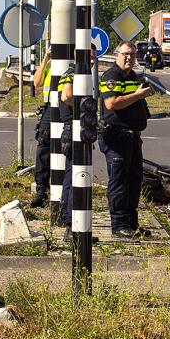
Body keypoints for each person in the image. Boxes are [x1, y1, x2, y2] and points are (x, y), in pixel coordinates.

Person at [98, 41, 153, 239]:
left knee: (134, 181)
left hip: (132, 137)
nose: (128, 58)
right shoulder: (112, 75)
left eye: (132, 54)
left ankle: (131, 223)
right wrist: (137, 96)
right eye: (125, 54)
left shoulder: (133, 76)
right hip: (116, 137)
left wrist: (141, 95)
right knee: (119, 182)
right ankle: (119, 224)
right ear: (116, 55)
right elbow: (111, 103)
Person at [58, 48, 96, 242]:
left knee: (72, 176)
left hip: (76, 129)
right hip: (73, 130)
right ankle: (71, 226)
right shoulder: (73, 73)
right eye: (89, 55)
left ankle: (73, 224)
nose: (93, 59)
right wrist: (84, 108)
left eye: (94, 55)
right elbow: (66, 96)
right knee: (74, 179)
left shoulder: (82, 74)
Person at [30, 48, 53, 207]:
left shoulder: (73, 63)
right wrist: (45, 58)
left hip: (68, 108)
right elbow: (36, 83)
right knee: (43, 148)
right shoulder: (50, 64)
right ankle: (41, 190)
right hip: (50, 109)